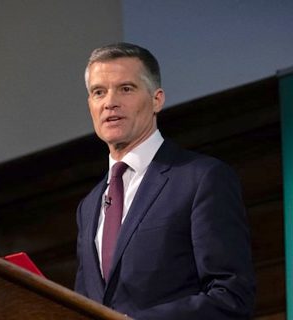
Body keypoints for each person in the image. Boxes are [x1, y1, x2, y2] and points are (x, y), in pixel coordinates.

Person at [74, 42, 256, 319]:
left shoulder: (201, 178)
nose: (110, 102)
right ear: (90, 105)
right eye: (99, 92)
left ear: (157, 99)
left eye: (126, 88)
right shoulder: (88, 206)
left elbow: (231, 296)